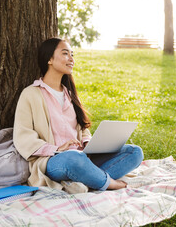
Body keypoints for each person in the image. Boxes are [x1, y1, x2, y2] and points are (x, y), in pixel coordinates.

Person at [13, 37, 143, 191]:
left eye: (72, 55)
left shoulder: (69, 93)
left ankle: (86, 180)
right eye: (65, 53)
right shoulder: (31, 94)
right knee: (74, 159)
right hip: (55, 161)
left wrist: (88, 142)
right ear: (49, 59)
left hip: (83, 157)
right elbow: (22, 136)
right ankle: (107, 182)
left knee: (135, 152)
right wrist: (58, 149)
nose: (71, 59)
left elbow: (82, 127)